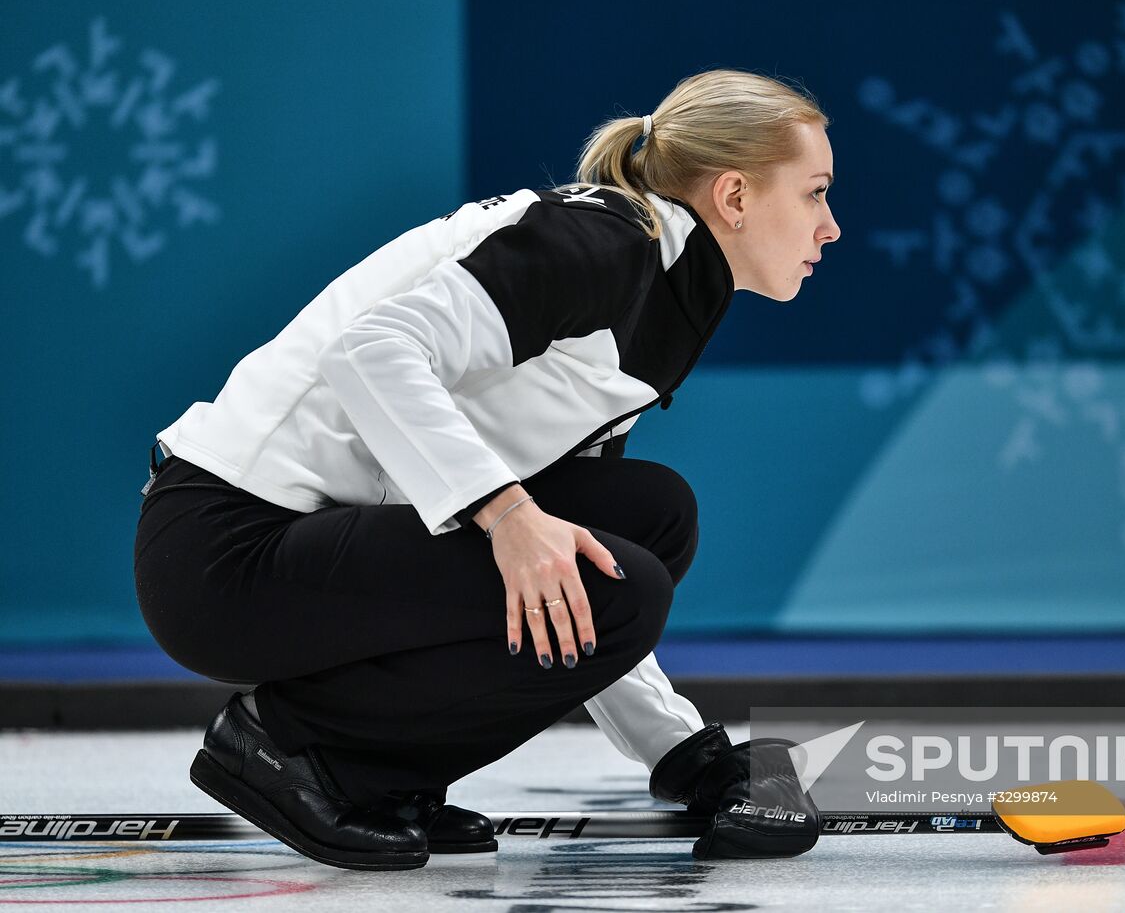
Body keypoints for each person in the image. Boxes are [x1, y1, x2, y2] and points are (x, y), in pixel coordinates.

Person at [133, 68, 840, 871]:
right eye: (815, 192)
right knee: (622, 581)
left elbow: (575, 567)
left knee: (650, 516)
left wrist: (684, 755)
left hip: (330, 544)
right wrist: (505, 514)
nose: (831, 227)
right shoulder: (604, 244)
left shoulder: (668, 292)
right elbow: (372, 353)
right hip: (225, 551)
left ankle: (386, 774)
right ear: (736, 197)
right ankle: (289, 747)